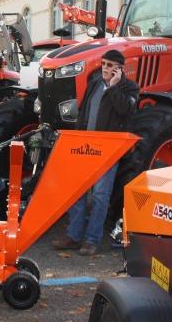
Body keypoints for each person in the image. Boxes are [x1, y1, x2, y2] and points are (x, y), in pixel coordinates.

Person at [51, 49, 140, 256]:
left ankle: (91, 240)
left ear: (120, 68)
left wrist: (113, 87)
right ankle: (73, 237)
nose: (105, 68)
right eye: (103, 64)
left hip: (107, 150)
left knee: (100, 195)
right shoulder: (94, 84)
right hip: (85, 146)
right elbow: (83, 112)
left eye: (110, 65)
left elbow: (126, 110)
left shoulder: (129, 88)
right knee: (76, 193)